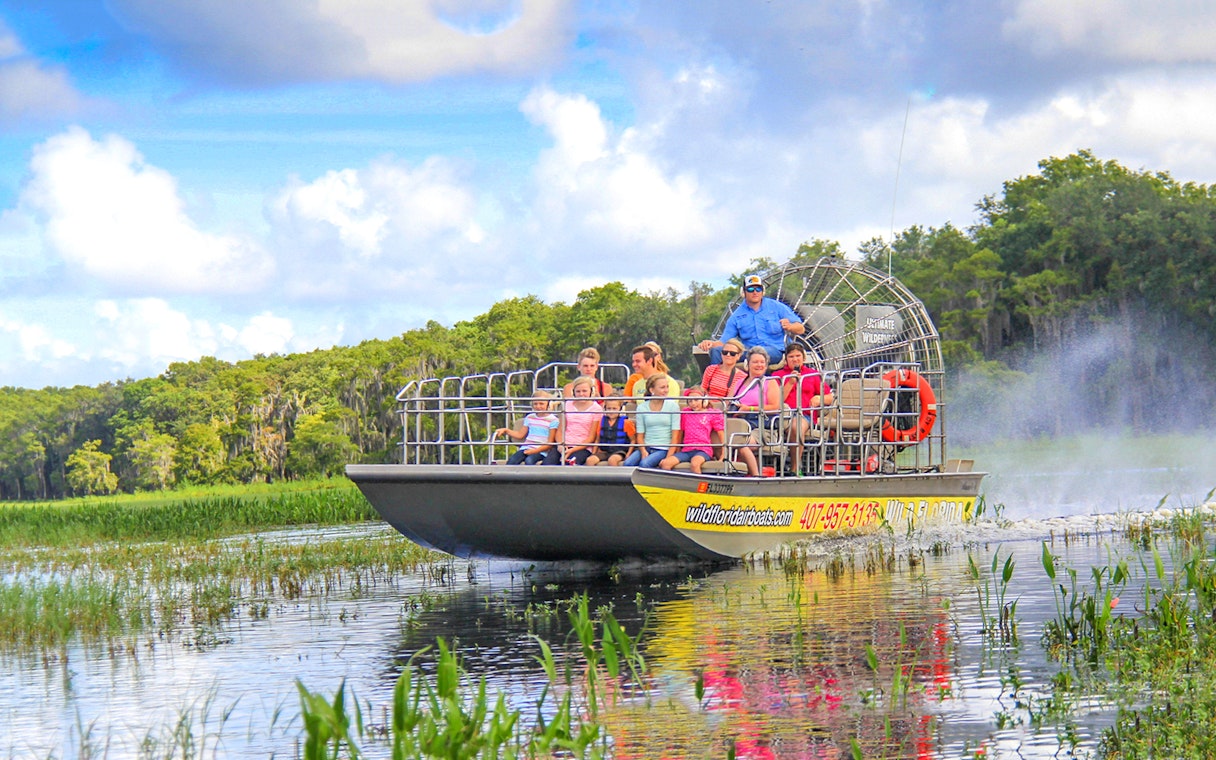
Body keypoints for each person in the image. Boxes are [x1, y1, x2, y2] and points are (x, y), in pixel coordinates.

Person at [698, 275, 805, 365]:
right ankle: (716, 385)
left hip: (775, 351)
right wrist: (710, 344)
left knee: (758, 353)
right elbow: (723, 342)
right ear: (743, 292)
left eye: (758, 289)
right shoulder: (737, 316)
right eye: (750, 289)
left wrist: (790, 326)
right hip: (748, 353)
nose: (755, 292)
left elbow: (801, 329)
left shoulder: (776, 307)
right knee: (717, 352)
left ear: (763, 291)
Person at [771, 342, 834, 473]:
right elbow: (777, 400)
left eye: (798, 356)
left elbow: (830, 397)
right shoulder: (777, 376)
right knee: (792, 423)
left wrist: (819, 398)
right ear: (786, 359)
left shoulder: (813, 374)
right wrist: (790, 382)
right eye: (791, 356)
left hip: (804, 414)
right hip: (783, 414)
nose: (795, 359)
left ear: (803, 358)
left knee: (796, 426)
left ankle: (795, 468)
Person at [660, 387, 724, 475]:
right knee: (665, 464)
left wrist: (723, 455)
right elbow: (680, 433)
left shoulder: (712, 413)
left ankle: (699, 486)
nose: (693, 403)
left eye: (696, 400)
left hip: (703, 450)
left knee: (695, 464)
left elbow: (721, 435)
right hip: (686, 450)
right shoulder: (686, 413)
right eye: (690, 401)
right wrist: (677, 450)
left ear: (704, 400)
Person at [623, 373, 682, 468]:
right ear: (651, 390)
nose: (666, 390)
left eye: (667, 387)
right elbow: (640, 435)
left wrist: (668, 457)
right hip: (647, 446)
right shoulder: (642, 408)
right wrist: (643, 451)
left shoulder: (673, 406)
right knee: (627, 464)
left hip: (663, 449)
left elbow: (675, 437)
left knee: (644, 464)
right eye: (662, 387)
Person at [494, 391, 558, 465]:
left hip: (541, 450)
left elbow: (549, 443)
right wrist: (506, 430)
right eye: (535, 404)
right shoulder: (530, 417)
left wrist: (534, 451)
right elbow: (520, 434)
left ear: (548, 404)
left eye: (541, 404)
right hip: (526, 447)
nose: (538, 406)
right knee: (512, 461)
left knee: (529, 461)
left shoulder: (553, 420)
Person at [559, 375, 603, 465]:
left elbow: (591, 438)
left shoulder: (596, 409)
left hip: (583, 447)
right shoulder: (567, 405)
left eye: (584, 391)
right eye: (578, 391)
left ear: (591, 391)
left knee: (570, 463)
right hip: (565, 444)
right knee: (548, 463)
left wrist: (572, 450)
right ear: (573, 392)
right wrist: (561, 445)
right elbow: (560, 430)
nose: (581, 394)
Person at [586, 392, 635, 466]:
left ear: (620, 408)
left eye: (614, 408)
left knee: (612, 460)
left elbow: (633, 440)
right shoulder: (601, 422)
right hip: (604, 451)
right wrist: (594, 452)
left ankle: (615, 477)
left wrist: (628, 454)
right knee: (590, 460)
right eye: (609, 408)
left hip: (619, 451)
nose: (611, 411)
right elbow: (597, 439)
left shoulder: (626, 423)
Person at [699, 337, 747, 404]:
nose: (728, 355)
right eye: (725, 352)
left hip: (725, 409)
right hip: (708, 407)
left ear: (738, 356)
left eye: (732, 353)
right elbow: (702, 390)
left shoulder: (742, 377)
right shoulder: (710, 369)